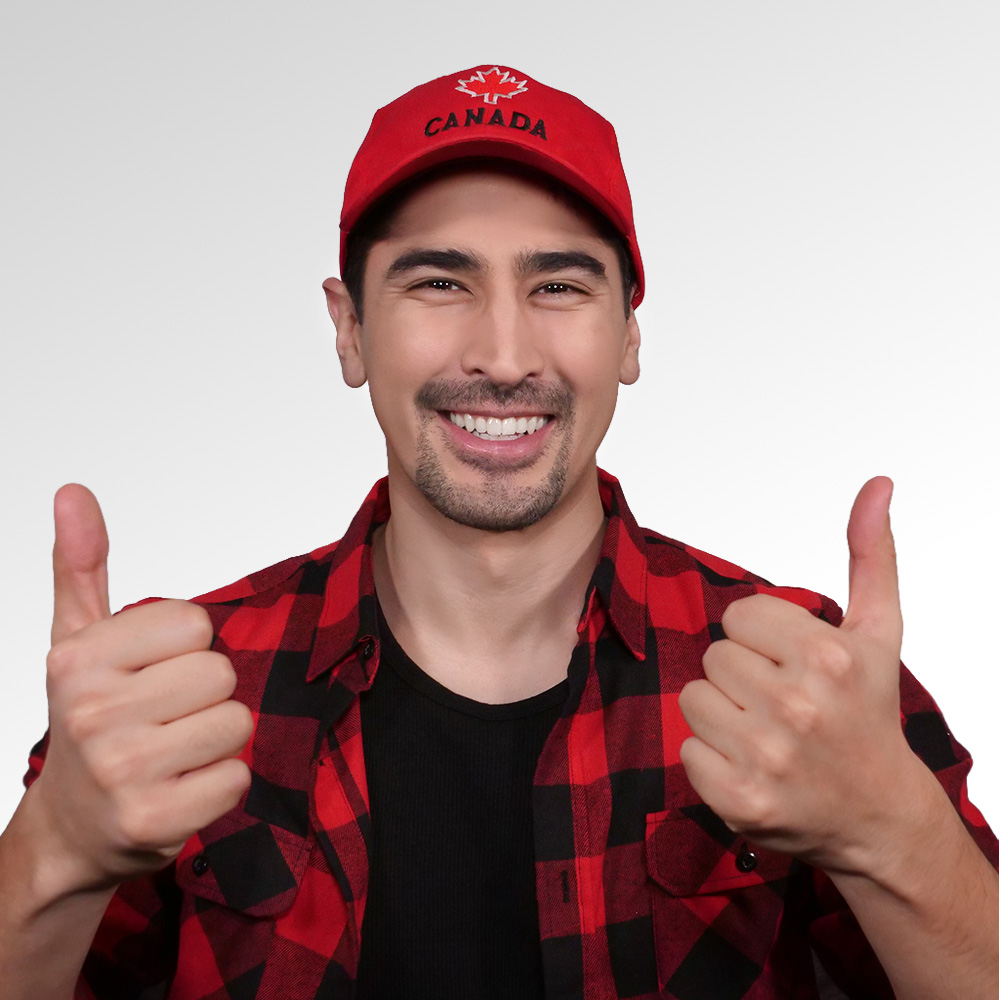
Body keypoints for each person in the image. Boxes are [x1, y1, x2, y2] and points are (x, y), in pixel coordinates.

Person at [0, 64, 996, 1000]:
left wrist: (892, 832)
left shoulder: (802, 680)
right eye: (439, 282)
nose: (504, 353)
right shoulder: (170, 694)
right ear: (347, 329)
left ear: (629, 334)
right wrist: (56, 855)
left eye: (558, 286)